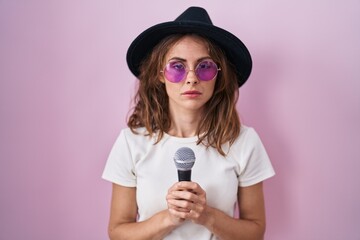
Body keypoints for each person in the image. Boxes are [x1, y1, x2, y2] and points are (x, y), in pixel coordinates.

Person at [102, 6, 275, 240]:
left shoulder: (244, 142)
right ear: (160, 74)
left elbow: (255, 232)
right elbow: (118, 232)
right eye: (177, 67)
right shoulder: (131, 143)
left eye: (204, 66)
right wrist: (170, 217)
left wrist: (205, 216)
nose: (192, 78)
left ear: (218, 75)